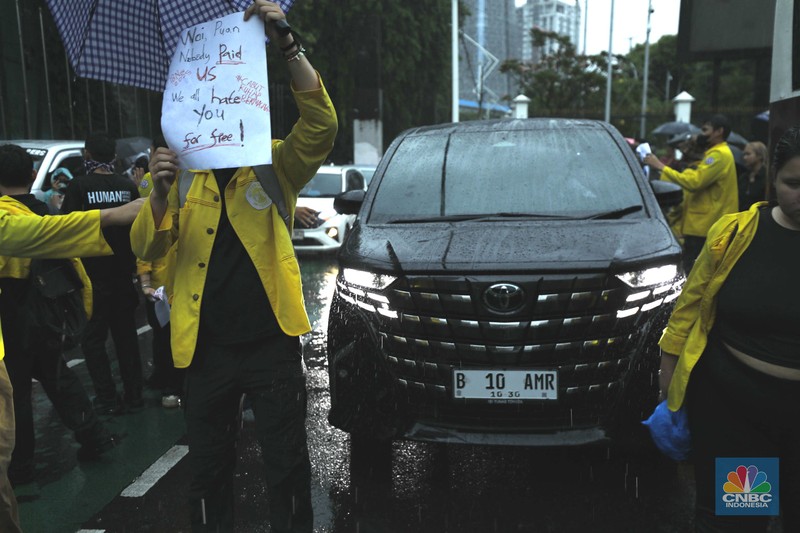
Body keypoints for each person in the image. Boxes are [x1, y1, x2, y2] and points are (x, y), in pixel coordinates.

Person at [131, 2, 337, 531]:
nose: (211, 107)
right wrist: (156, 193)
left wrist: (286, 45)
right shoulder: (174, 178)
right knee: (208, 471)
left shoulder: (270, 163)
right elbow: (149, 252)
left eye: (219, 97)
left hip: (271, 342)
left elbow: (320, 124)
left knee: (288, 468)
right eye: (199, 100)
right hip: (204, 351)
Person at [657, 126, 800, 532]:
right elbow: (688, 309)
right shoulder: (735, 233)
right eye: (794, 183)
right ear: (773, 178)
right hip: (738, 412)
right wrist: (670, 380)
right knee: (741, 518)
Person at [0, 143, 144, 533]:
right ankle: (94, 434)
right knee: (58, 376)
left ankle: (23, 464)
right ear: (32, 176)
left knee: (19, 391)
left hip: (11, 314)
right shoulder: (42, 209)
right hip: (47, 309)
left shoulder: (9, 216)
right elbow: (66, 246)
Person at [61, 132, 144, 415]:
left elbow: (66, 229)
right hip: (123, 275)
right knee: (126, 339)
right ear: (114, 158)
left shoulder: (78, 186)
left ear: (86, 156)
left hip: (90, 279)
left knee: (94, 341)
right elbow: (138, 229)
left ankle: (107, 400)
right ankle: (135, 396)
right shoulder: (126, 186)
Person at [644, 114, 739, 272]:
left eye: (705, 130)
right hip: (699, 225)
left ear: (719, 132)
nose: (701, 135)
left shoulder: (719, 155)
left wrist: (661, 166)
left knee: (692, 271)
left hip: (704, 226)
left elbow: (695, 182)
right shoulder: (714, 155)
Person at [136, 136, 183, 409]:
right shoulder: (149, 184)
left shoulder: (197, 179)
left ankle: (175, 383)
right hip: (162, 282)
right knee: (164, 336)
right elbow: (146, 230)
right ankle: (169, 383)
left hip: (183, 278)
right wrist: (145, 280)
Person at [738, 141, 768, 211]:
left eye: (748, 154)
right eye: (744, 154)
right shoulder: (743, 177)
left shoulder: (767, 178)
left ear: (759, 156)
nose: (745, 157)